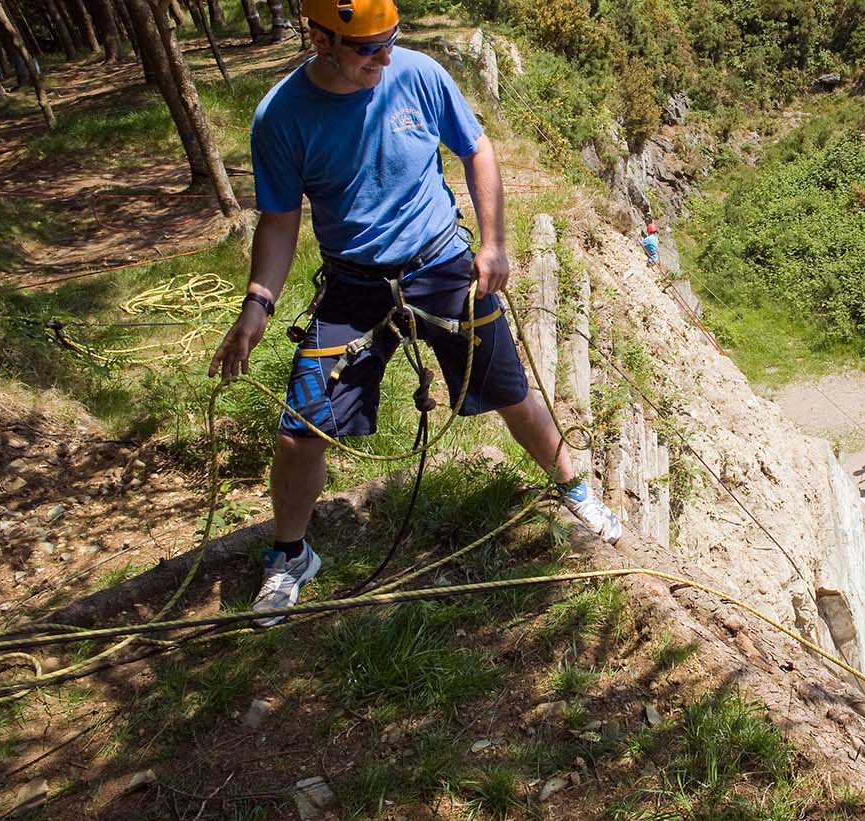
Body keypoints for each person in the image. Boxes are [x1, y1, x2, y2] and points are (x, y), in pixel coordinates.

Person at [208, 0, 621, 625]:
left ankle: (574, 489)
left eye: (389, 41)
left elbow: (476, 149)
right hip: (355, 283)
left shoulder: (419, 74)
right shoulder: (281, 117)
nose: (383, 58)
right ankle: (290, 555)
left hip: (440, 264)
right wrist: (257, 305)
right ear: (319, 38)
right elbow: (281, 219)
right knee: (299, 429)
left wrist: (493, 243)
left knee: (510, 390)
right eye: (365, 48)